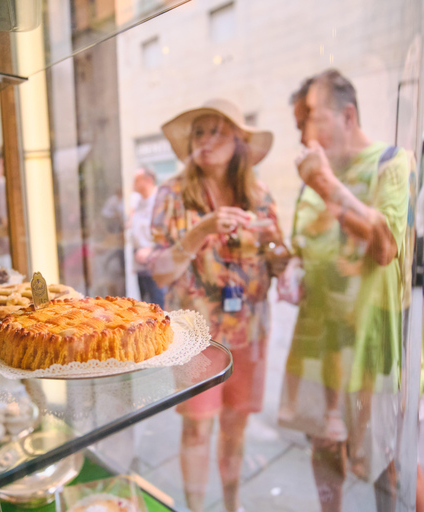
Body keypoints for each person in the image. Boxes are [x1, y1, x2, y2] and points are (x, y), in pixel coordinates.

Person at [278, 70, 410, 512]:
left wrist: (328, 185)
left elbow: (386, 246)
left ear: (347, 115)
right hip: (318, 340)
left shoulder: (392, 163)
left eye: (309, 120)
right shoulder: (312, 177)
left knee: (379, 457)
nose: (301, 135)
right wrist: (287, 265)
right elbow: (301, 248)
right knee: (323, 445)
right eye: (298, 124)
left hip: (370, 342)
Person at [148, 99, 287, 512]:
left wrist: (279, 256)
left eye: (217, 131)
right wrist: (201, 230)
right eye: (199, 132)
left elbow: (276, 254)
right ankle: (193, 507)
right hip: (196, 335)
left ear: (239, 142)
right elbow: (159, 272)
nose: (206, 141)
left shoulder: (260, 197)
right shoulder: (173, 194)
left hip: (249, 332)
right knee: (196, 429)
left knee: (236, 427)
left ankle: (231, 503)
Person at [130, 167, 165, 307]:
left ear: (148, 180)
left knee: (159, 306)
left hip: (157, 262)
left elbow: (169, 236)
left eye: (137, 180)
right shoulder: (138, 202)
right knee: (144, 306)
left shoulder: (161, 201)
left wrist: (151, 250)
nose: (133, 183)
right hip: (141, 264)